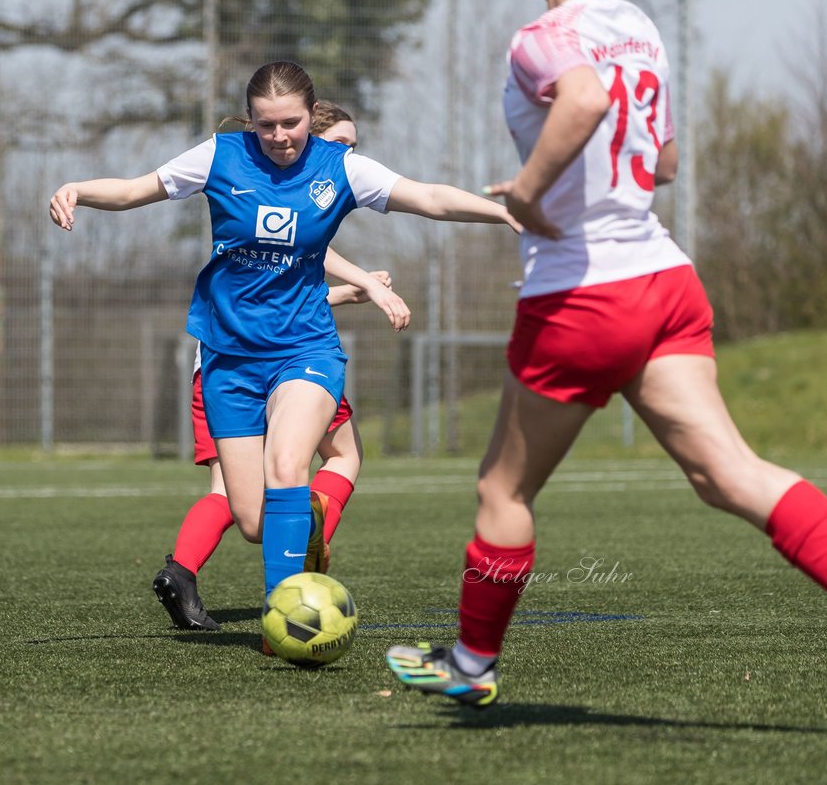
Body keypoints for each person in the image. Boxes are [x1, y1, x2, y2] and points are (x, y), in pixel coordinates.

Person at [385, 0, 827, 708]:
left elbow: (584, 98)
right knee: (729, 475)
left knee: (501, 491)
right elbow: (665, 163)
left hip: (582, 292)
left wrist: (530, 193)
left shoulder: (544, 35)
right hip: (663, 279)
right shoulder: (638, 25)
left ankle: (471, 665)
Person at [51, 61, 519, 638]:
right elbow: (135, 189)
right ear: (250, 121)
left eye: (291, 124)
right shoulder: (219, 156)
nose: (279, 137)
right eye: (266, 125)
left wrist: (499, 210)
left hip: (305, 348)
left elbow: (426, 198)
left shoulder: (341, 168)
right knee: (252, 520)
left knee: (289, 464)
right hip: (227, 358)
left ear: (310, 116)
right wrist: (78, 189)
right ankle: (296, 551)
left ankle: (287, 619)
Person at [151, 101, 401, 633]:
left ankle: (185, 570)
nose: (349, 154)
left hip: (225, 360)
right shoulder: (305, 182)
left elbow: (294, 277)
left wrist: (357, 287)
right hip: (262, 358)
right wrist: (363, 288)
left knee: (242, 489)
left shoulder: (288, 190)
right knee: (340, 457)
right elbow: (290, 292)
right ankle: (309, 548)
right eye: (343, 144)